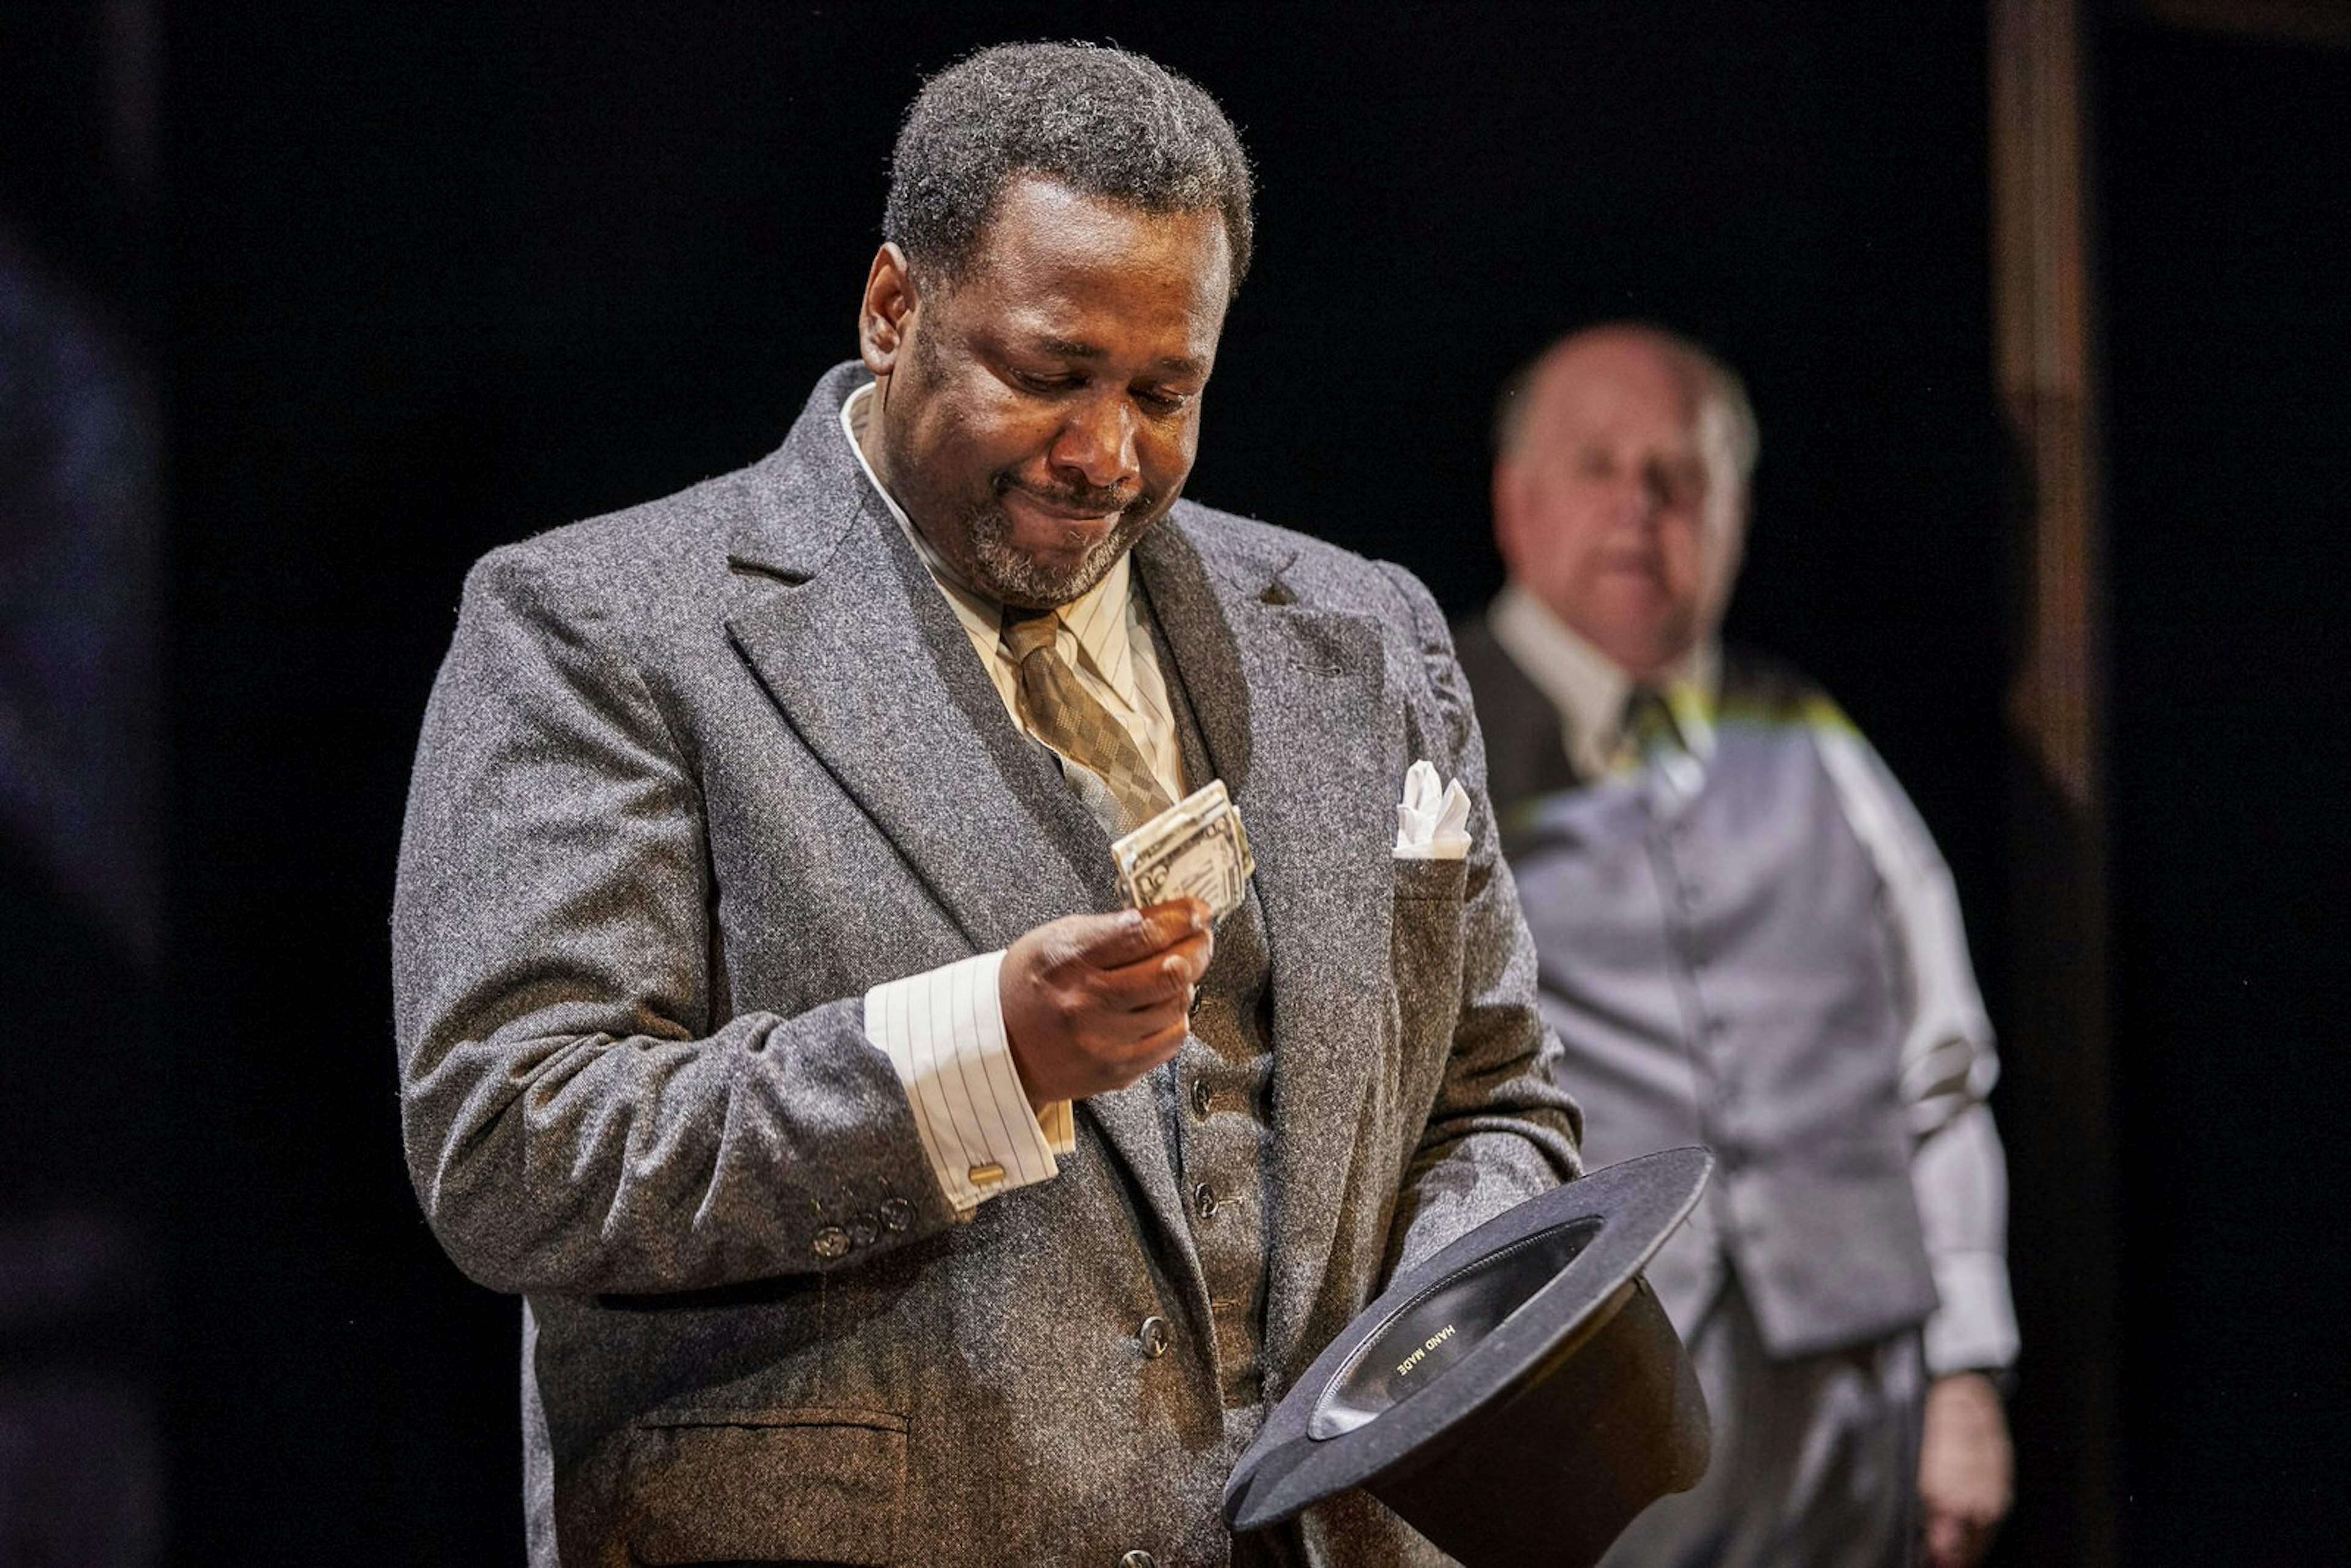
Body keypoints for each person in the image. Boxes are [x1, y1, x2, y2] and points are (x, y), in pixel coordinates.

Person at [392, 43, 1580, 1568]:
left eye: (1167, 392)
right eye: (1046, 375)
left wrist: (1439, 1338)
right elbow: (515, 1147)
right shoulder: (602, 628)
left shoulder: (1362, 633)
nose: (1107, 456)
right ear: (894, 311)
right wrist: (981, 1058)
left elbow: (1498, 1099)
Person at [1453, 325, 2017, 1568]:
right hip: (1593, 1409)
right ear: (1516, 499)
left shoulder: (1813, 738)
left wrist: (1968, 1375)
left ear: (1737, 512)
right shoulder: (1432, 737)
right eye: (1599, 464)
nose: (1640, 507)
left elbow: (1943, 1073)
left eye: (1681, 474)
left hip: (1857, 1404)